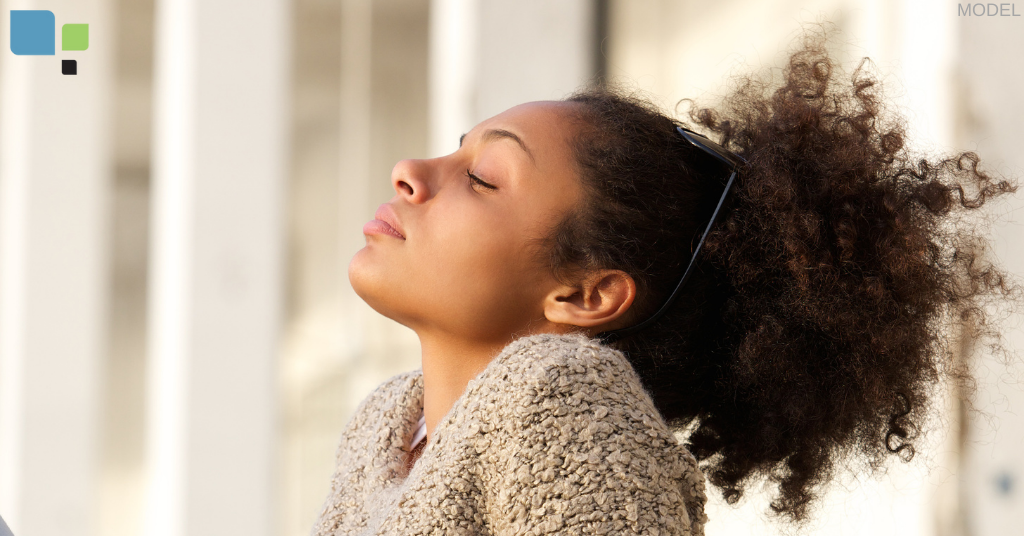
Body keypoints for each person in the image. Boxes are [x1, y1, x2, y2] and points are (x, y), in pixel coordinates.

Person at [311, 28, 1021, 535]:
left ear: (586, 295)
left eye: (482, 177)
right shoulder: (386, 430)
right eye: (458, 149)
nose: (412, 170)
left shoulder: (563, 397)